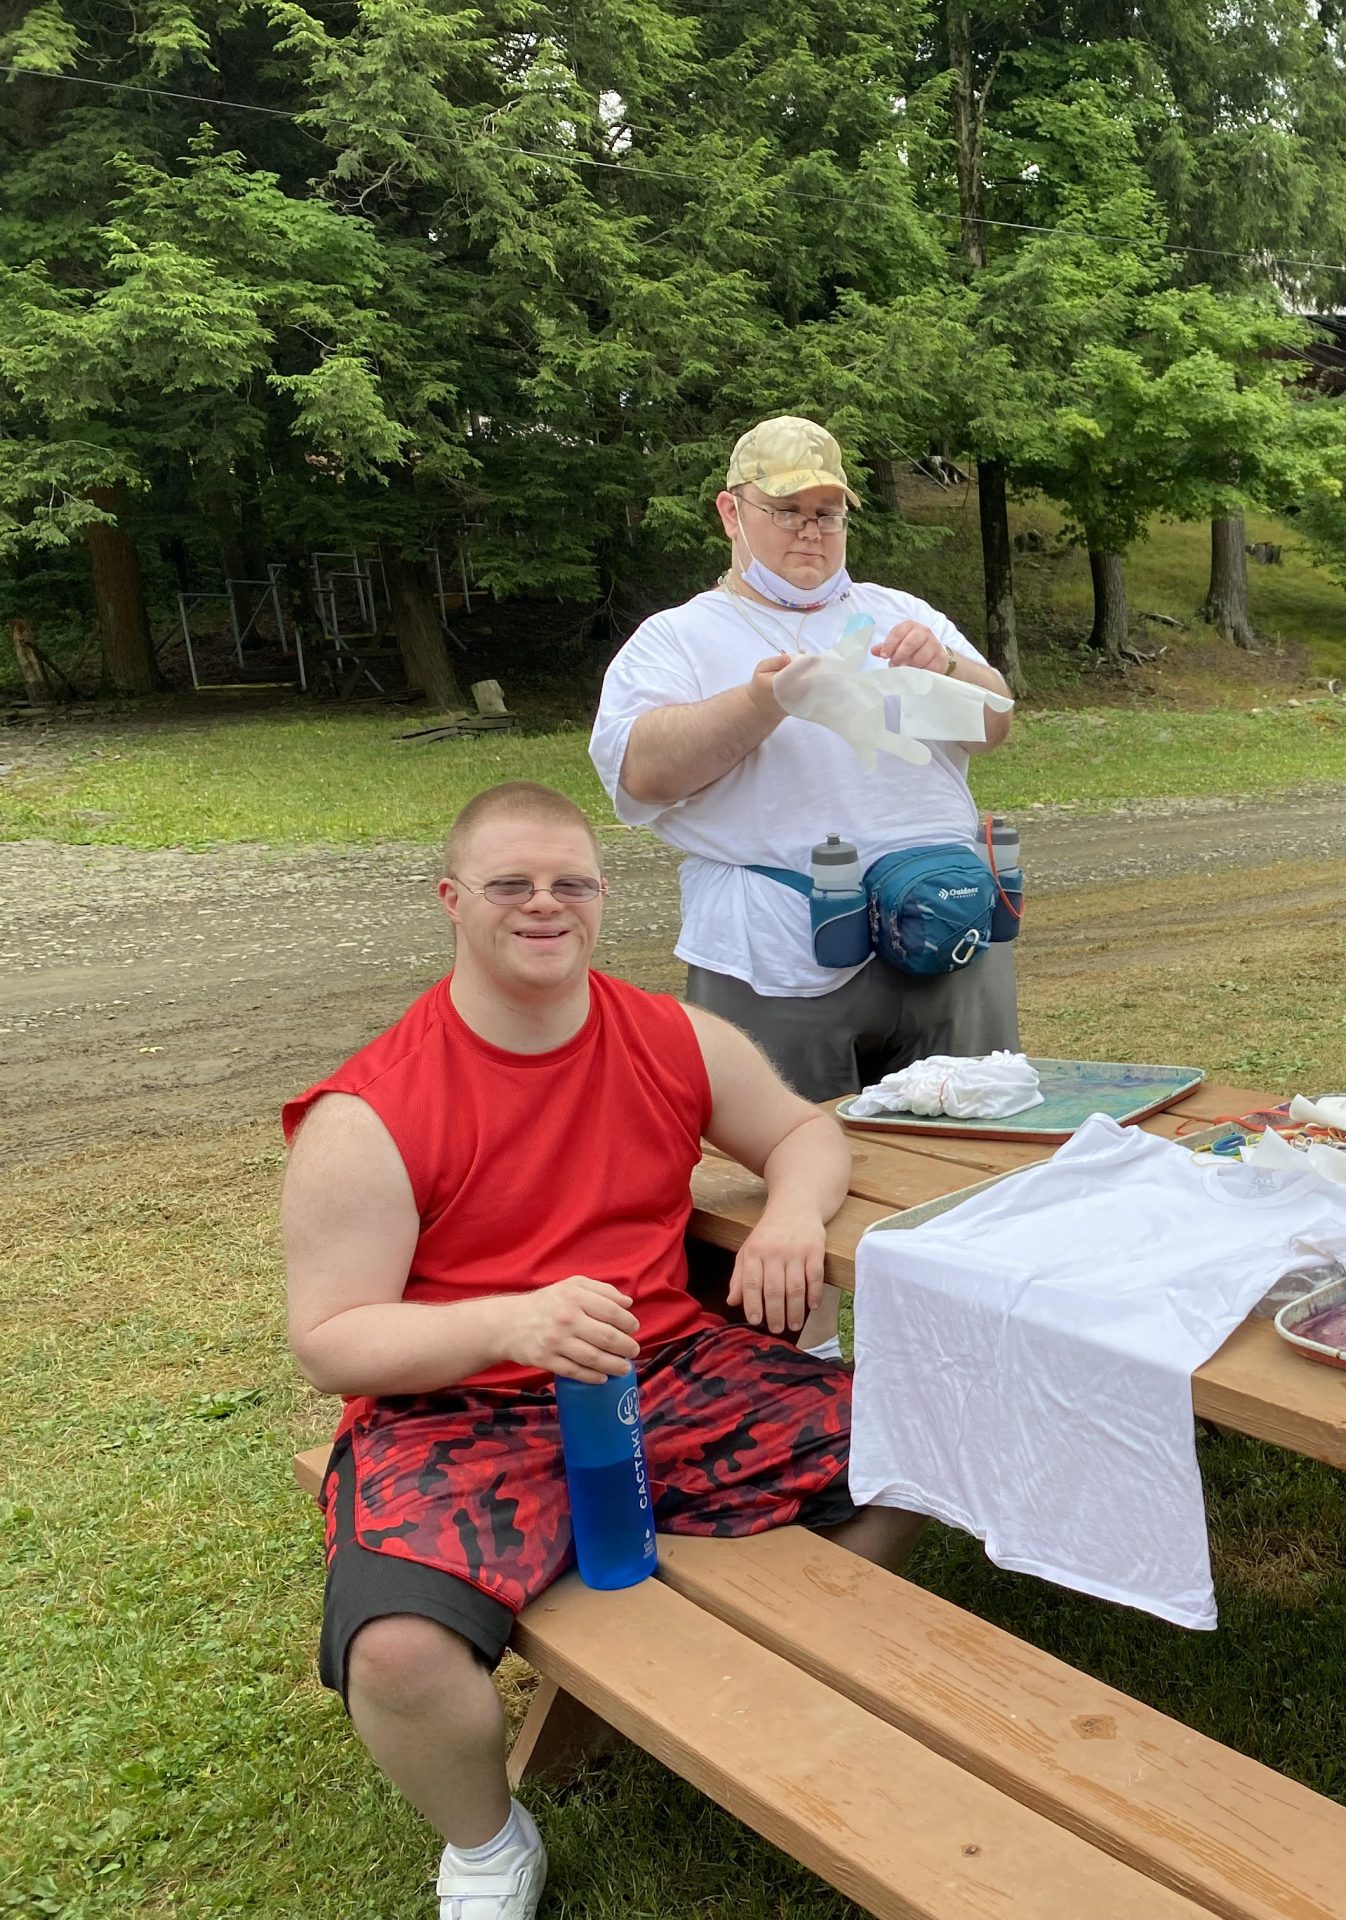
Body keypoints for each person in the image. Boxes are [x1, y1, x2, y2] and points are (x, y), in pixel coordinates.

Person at [281, 781, 922, 1920]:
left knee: (919, 1448)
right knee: (399, 1656)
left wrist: (785, 1216)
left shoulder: (668, 1033)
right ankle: (485, 1842)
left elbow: (805, 1132)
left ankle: (741, 1656)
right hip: (455, 1406)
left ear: (600, 896)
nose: (544, 905)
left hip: (666, 1371)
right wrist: (504, 1323)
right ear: (450, 900)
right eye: (511, 884)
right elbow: (331, 1342)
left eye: (569, 881)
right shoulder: (367, 1112)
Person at [589, 415, 1019, 1111]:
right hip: (777, 958)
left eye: (827, 513)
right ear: (732, 512)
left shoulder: (901, 613)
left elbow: (995, 723)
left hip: (947, 932)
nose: (810, 531)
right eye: (787, 511)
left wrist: (946, 665)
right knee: (792, 1168)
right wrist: (763, 701)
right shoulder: (676, 637)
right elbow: (642, 772)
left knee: (977, 1155)